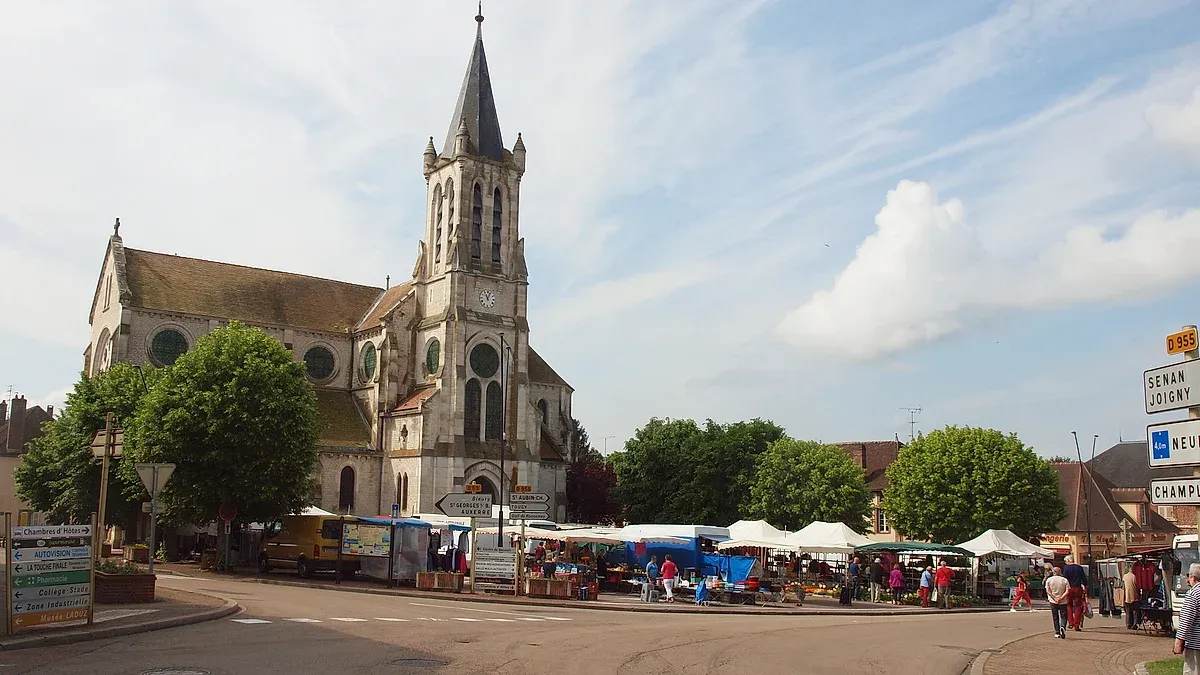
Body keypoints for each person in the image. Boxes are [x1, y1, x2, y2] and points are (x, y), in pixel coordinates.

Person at [1175, 563, 1200, 674]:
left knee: (1193, 671)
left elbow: (1186, 620)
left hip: (1196, 642)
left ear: (1193, 577)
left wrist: (1178, 642)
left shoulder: (1193, 594)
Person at [1062, 555, 1088, 631]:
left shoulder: (1066, 568)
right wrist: (1085, 587)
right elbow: (1084, 578)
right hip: (1077, 587)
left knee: (1068, 605)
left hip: (1069, 588)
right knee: (1078, 606)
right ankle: (1077, 625)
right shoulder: (1079, 567)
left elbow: (1065, 579)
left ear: (1067, 561)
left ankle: (1070, 622)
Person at [1046, 566, 1070, 639]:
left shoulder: (1049, 580)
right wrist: (1061, 597)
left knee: (1055, 616)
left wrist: (1054, 598)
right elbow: (1067, 591)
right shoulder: (1064, 580)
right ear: (1060, 572)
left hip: (1053, 601)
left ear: (1053, 572)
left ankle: (1057, 632)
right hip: (1063, 601)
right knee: (1064, 616)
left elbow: (1048, 591)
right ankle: (1063, 626)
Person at [1123, 566, 1140, 630]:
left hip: (1127, 596)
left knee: (1128, 611)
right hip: (1134, 596)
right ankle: (1134, 624)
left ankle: (1128, 624)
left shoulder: (1125, 576)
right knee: (1135, 611)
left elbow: (1123, 586)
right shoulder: (1134, 577)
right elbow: (1137, 586)